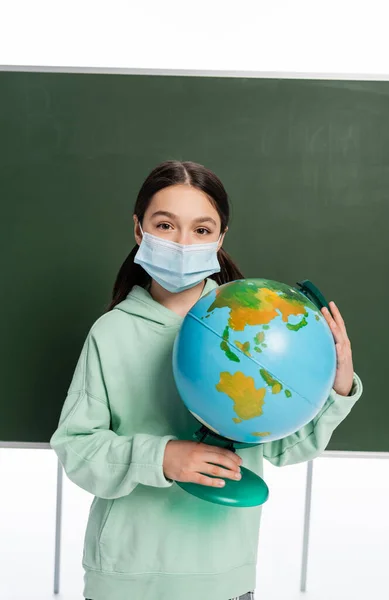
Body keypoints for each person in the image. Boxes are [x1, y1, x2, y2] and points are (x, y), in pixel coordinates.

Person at [50, 160, 363, 600]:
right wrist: (161, 456)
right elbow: (77, 447)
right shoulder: (112, 332)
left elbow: (284, 445)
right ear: (139, 231)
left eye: (201, 230)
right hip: (126, 579)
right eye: (165, 224)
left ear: (220, 239)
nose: (182, 243)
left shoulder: (253, 327)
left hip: (225, 579)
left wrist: (336, 387)